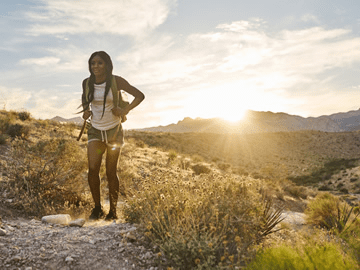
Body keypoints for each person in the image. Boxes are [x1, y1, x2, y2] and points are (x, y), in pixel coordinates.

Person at [81, 51, 145, 220]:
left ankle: (113, 211)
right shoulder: (86, 83)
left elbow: (140, 95)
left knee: (111, 171)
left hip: (114, 131)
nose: (96, 66)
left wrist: (125, 110)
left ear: (107, 65)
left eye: (99, 63)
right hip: (95, 130)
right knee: (92, 170)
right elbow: (85, 100)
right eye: (93, 63)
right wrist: (86, 112)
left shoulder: (117, 81)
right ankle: (97, 208)